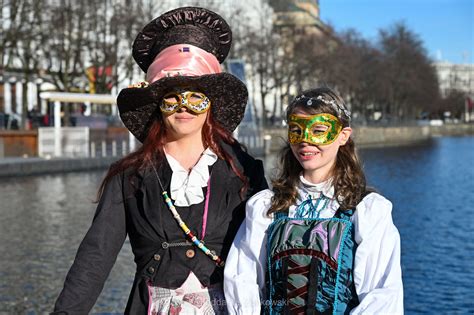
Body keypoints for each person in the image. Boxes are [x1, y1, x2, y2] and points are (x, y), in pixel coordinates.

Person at [52, 6, 267, 314]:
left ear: (211, 105)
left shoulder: (245, 169)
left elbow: (265, 252)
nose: (184, 108)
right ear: (157, 104)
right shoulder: (129, 175)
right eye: (171, 98)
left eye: (196, 97)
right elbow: (95, 257)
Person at [224, 87, 403, 314]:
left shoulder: (367, 211)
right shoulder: (266, 207)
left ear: (343, 136)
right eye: (297, 130)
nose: (305, 141)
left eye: (318, 130)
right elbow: (242, 278)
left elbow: (382, 295)